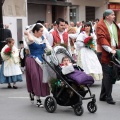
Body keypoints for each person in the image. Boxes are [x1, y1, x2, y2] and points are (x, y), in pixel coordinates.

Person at [24, 23, 52, 107]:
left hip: (42, 59)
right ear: (35, 31)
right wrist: (28, 33)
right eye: (41, 31)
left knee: (43, 79)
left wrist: (50, 52)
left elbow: (49, 48)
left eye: (43, 31)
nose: (42, 33)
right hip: (33, 60)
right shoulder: (29, 38)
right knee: (36, 78)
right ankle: (38, 99)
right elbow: (31, 40)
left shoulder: (43, 38)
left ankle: (36, 94)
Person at [96, 9, 120, 104]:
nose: (114, 16)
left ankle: (103, 96)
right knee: (108, 74)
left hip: (114, 51)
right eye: (113, 15)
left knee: (108, 75)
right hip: (104, 52)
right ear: (107, 16)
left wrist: (115, 50)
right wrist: (111, 50)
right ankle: (108, 97)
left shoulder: (114, 25)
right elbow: (102, 40)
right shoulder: (100, 25)